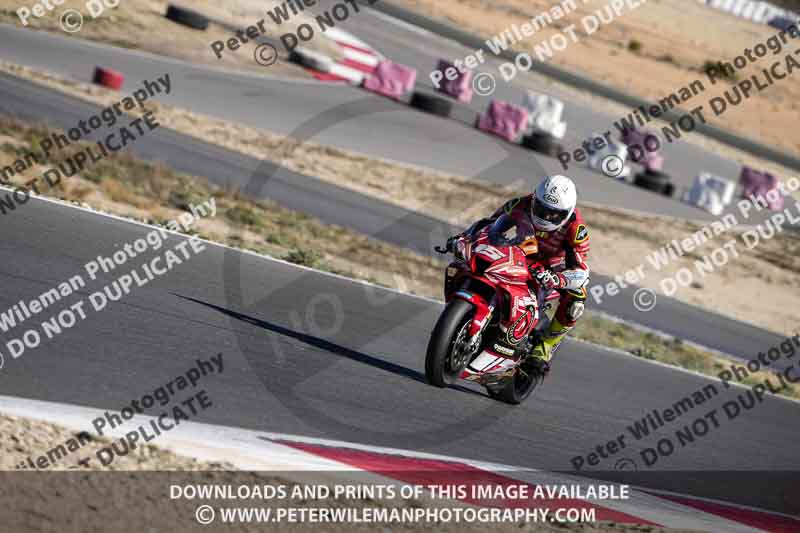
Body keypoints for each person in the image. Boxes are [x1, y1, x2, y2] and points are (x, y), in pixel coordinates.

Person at [459, 175, 589, 372]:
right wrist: (465, 238)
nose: (546, 217)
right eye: (542, 209)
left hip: (552, 268)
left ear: (567, 213)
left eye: (554, 215)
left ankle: (545, 347)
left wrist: (557, 278)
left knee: (578, 299)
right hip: (519, 254)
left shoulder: (576, 229)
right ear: (535, 199)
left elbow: (581, 272)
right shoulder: (519, 204)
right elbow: (487, 225)